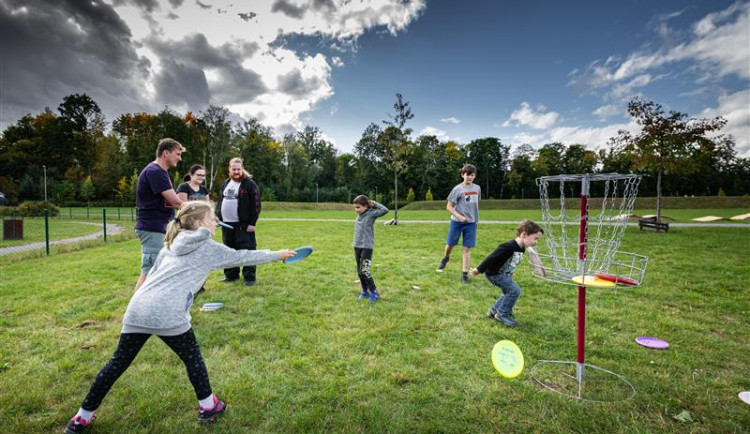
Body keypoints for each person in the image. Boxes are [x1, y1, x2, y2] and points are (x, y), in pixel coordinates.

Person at [64, 201, 295, 434]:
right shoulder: (208, 247)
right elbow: (243, 256)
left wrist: (138, 305)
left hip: (138, 308)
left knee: (117, 363)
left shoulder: (171, 243)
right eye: (211, 217)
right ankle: (209, 407)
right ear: (198, 223)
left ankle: (81, 418)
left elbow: (150, 275)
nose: (215, 221)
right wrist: (278, 255)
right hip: (168, 313)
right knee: (192, 358)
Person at [469, 220, 544, 327]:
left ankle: (493, 311)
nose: (536, 242)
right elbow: (491, 257)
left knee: (507, 292)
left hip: (503, 274)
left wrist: (510, 272)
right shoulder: (508, 246)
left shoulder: (521, 247)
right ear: (524, 235)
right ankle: (502, 314)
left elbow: (512, 261)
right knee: (515, 290)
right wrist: (478, 270)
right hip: (494, 274)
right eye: (535, 238)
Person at [134, 138, 185, 292]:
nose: (180, 158)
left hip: (158, 228)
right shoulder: (155, 171)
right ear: (165, 153)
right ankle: (135, 310)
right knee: (151, 272)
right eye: (177, 154)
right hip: (152, 228)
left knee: (157, 271)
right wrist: (198, 210)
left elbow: (170, 202)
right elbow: (176, 202)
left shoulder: (160, 172)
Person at [215, 157, 261, 286]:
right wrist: (217, 216)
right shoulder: (226, 183)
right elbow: (220, 201)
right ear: (229, 169)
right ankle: (231, 275)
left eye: (238, 169)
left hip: (243, 225)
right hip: (226, 224)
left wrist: (252, 223)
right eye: (233, 169)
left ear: (242, 169)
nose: (236, 171)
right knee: (228, 250)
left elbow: (256, 205)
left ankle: (249, 278)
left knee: (247, 250)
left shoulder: (249, 184)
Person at [436, 163, 481, 283]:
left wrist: (475, 219)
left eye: (472, 175)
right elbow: (449, 207)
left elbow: (475, 205)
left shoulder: (477, 189)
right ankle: (446, 258)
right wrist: (460, 217)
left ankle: (464, 274)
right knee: (450, 244)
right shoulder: (457, 189)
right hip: (457, 222)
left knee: (467, 248)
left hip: (471, 223)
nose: (470, 177)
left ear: (474, 176)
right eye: (467, 175)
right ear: (462, 175)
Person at [352, 195, 389, 301]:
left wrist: (374, 204)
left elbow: (385, 210)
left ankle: (374, 292)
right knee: (359, 271)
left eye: (358, 207)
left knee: (364, 270)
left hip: (367, 247)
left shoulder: (371, 214)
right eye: (355, 207)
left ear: (365, 206)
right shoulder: (359, 215)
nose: (356, 210)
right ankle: (365, 290)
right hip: (357, 246)